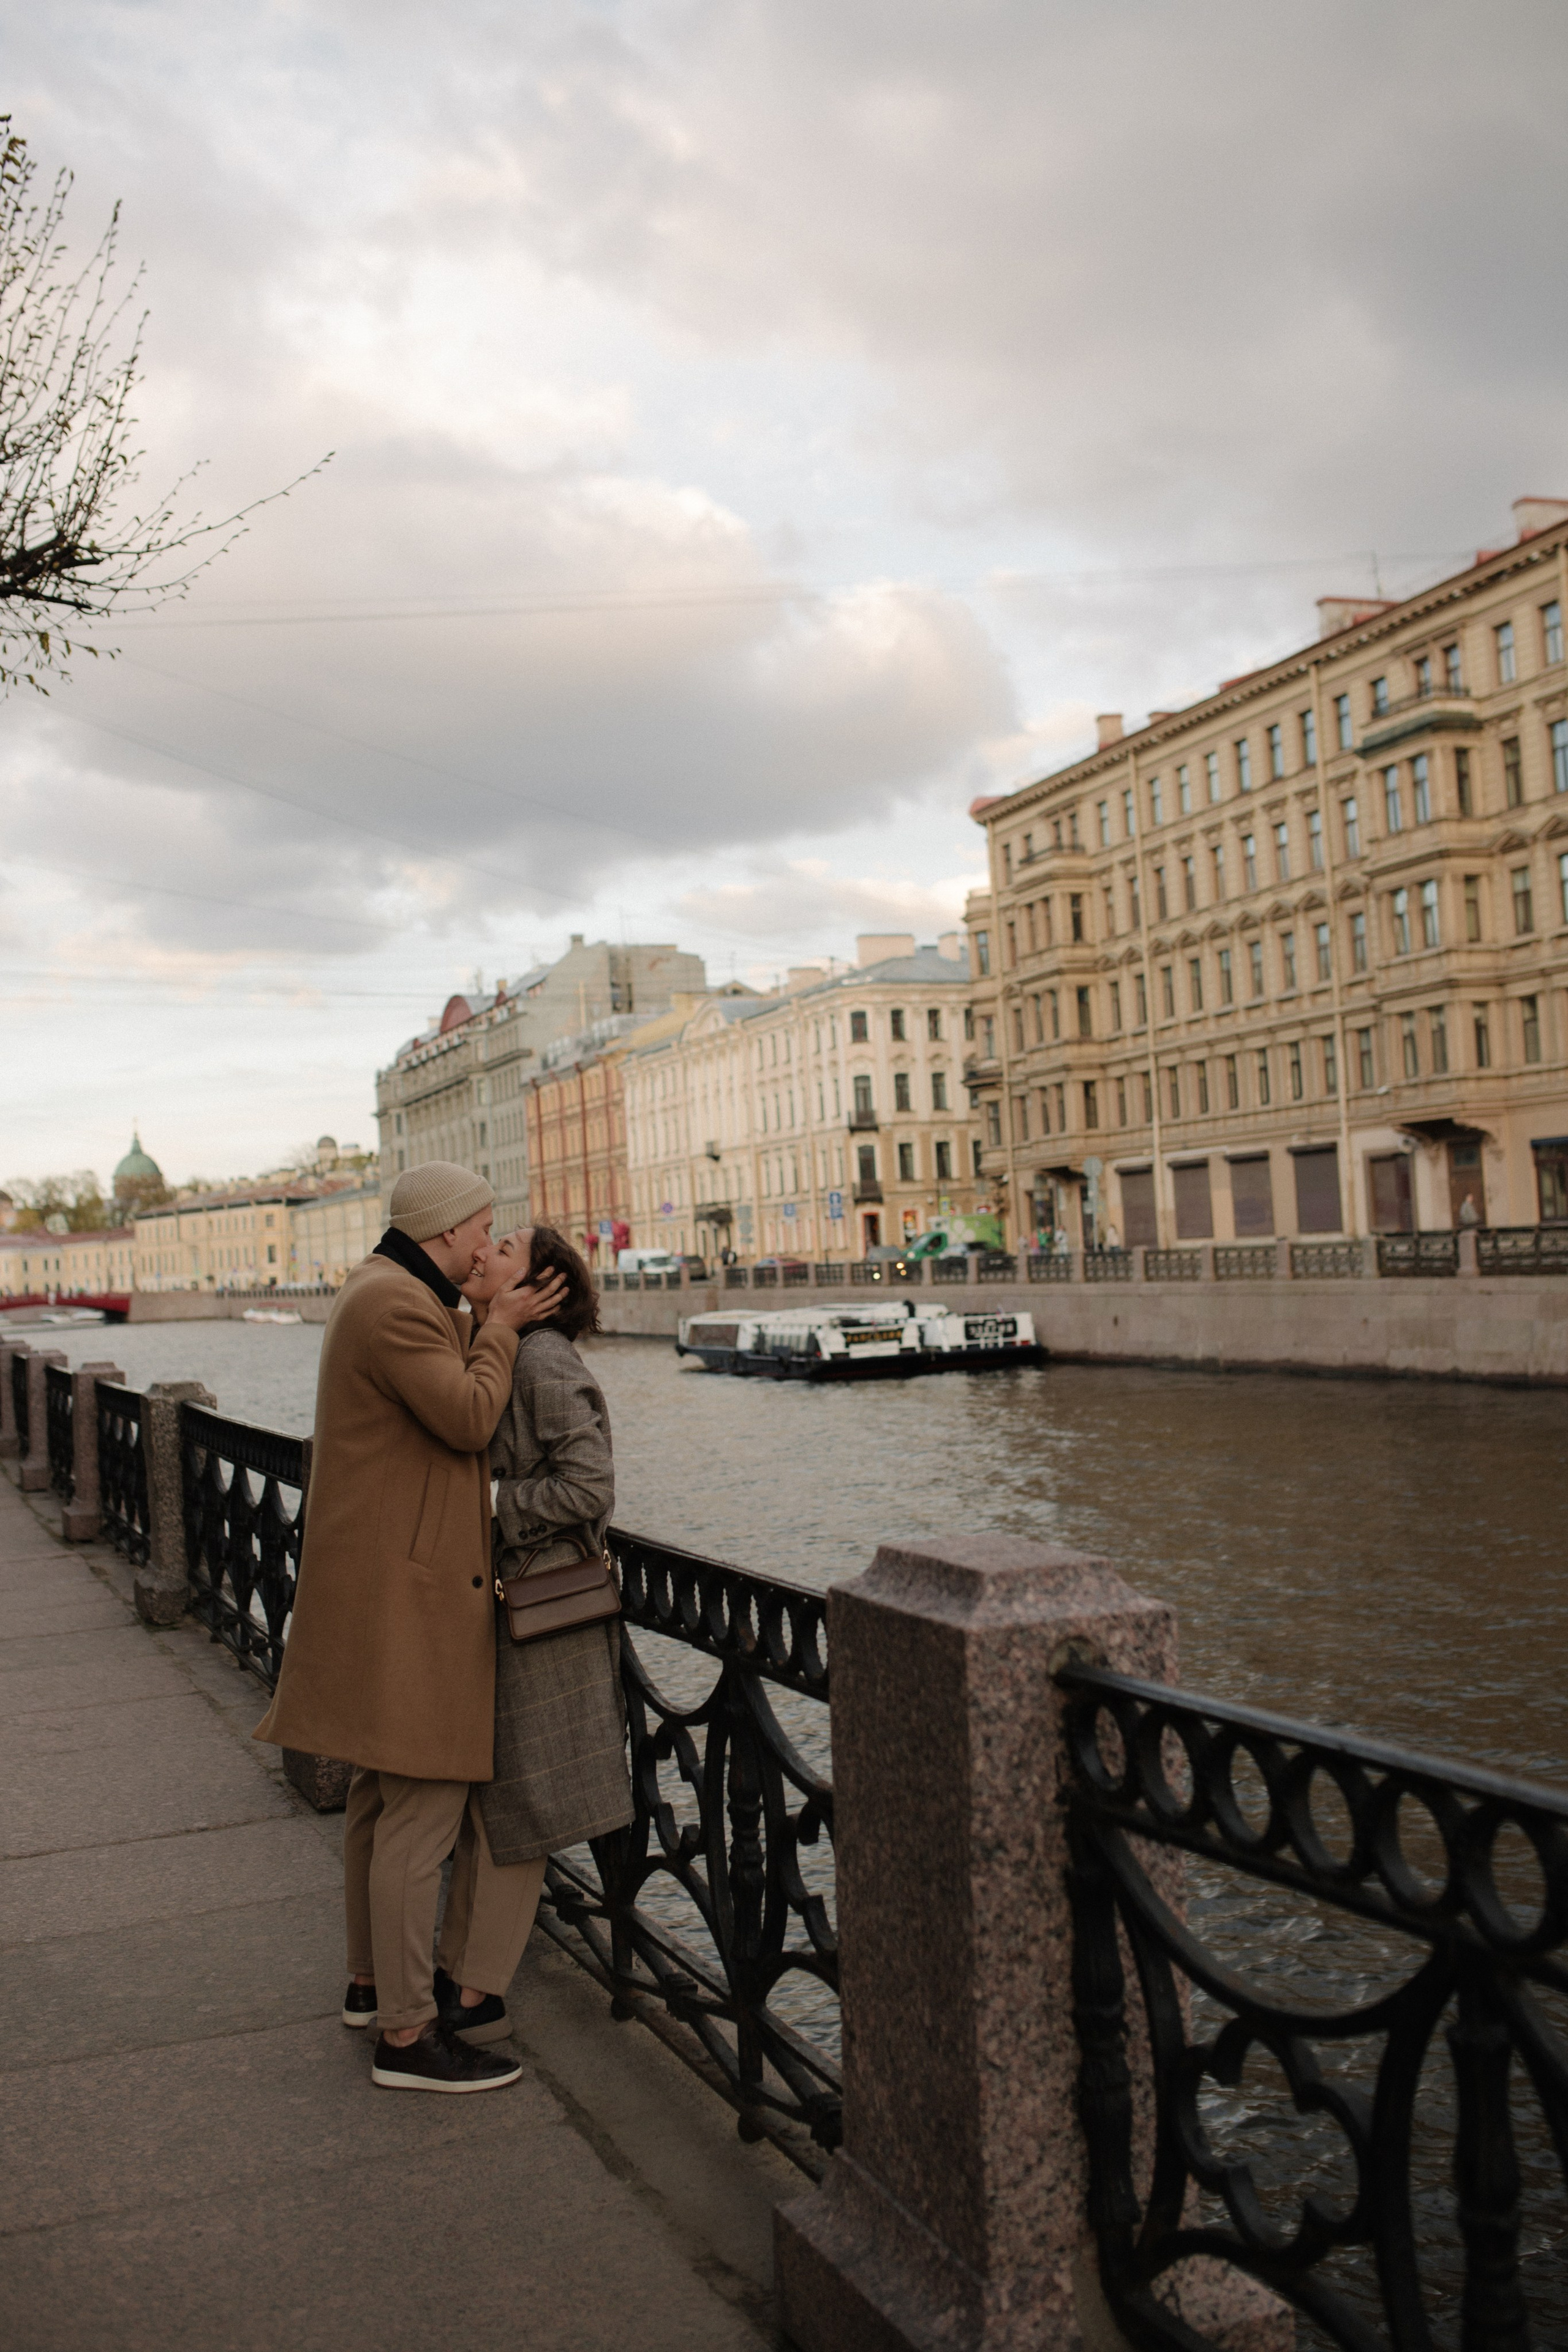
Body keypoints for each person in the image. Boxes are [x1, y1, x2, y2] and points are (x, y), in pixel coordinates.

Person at [254, 1161, 567, 2094]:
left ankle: (368, 1984)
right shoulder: (396, 1306)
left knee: (378, 1806)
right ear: (446, 1231)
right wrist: (503, 1328)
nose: (489, 1245)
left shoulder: (381, 1289)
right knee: (420, 1814)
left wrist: (477, 1323)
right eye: (484, 1228)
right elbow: (470, 1418)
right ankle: (407, 2036)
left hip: (381, 1583)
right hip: (409, 1598)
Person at [459, 1222, 632, 1981]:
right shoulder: (501, 1346)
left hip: (542, 1606)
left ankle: (478, 1990)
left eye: (503, 1251)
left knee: (523, 1807)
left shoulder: (542, 1359)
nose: (483, 1253)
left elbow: (589, 1486)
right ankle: (463, 1976)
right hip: (510, 1601)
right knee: (498, 1803)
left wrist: (491, 1500)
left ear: (537, 1287)